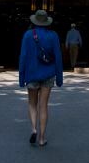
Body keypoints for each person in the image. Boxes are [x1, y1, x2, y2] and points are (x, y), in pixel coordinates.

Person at [19, 9, 63, 147]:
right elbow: (58, 57)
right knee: (43, 105)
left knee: (32, 103)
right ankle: (42, 138)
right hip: (48, 74)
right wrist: (59, 77)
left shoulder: (27, 35)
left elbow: (23, 57)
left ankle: (33, 129)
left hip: (31, 74)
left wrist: (21, 77)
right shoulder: (53, 35)